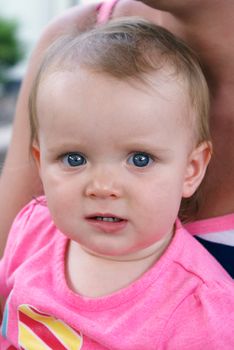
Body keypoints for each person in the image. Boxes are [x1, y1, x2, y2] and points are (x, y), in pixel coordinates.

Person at [0, 18, 234, 349]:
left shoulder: (203, 312)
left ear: (191, 170)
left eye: (139, 159)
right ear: (40, 162)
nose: (102, 187)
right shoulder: (33, 229)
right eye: (73, 159)